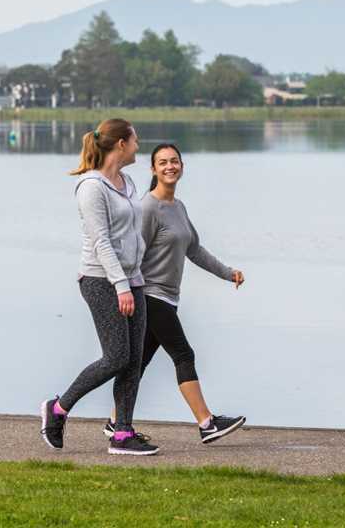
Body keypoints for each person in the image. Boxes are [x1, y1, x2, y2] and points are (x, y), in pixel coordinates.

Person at [103, 142, 247, 444]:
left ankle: (115, 422)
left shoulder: (178, 207)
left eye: (175, 161)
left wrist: (227, 272)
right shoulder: (147, 207)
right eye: (163, 162)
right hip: (150, 296)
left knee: (136, 363)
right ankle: (207, 423)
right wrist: (124, 293)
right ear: (153, 169)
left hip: (168, 297)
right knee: (184, 353)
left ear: (182, 166)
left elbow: (194, 249)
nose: (170, 166)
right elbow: (132, 254)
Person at [40, 119, 158, 456]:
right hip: (100, 280)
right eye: (135, 139)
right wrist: (121, 285)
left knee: (133, 361)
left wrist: (136, 276)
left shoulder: (128, 182)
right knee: (116, 356)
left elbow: (133, 233)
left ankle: (122, 435)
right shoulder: (91, 187)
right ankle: (59, 408)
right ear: (120, 144)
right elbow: (101, 242)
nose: (139, 144)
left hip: (132, 279)